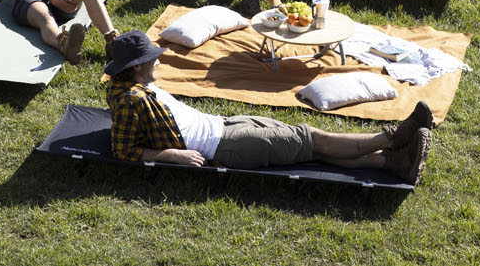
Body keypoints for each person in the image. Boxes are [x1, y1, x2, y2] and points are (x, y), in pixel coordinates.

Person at [103, 31, 435, 184]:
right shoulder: (129, 100)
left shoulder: (137, 85)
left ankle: (393, 163)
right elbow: (123, 150)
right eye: (151, 60)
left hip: (225, 124)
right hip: (222, 146)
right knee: (311, 139)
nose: (157, 63)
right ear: (135, 67)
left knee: (306, 149)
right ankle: (391, 138)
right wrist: (169, 156)